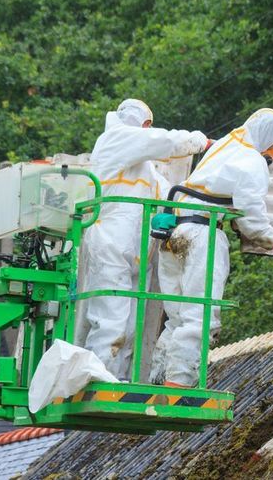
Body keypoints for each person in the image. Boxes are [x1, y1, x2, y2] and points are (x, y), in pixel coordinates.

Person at [151, 108, 273, 387]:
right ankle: (178, 389)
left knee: (177, 318)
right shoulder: (251, 161)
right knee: (201, 317)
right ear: (268, 139)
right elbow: (251, 217)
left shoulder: (225, 146)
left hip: (174, 230)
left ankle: (157, 385)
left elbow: (239, 158)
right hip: (201, 235)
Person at [83, 99, 209, 379]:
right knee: (110, 320)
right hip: (111, 242)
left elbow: (169, 192)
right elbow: (165, 142)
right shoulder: (116, 138)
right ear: (146, 125)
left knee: (128, 326)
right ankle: (97, 380)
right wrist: (201, 141)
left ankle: (117, 381)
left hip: (134, 249)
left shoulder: (143, 169)